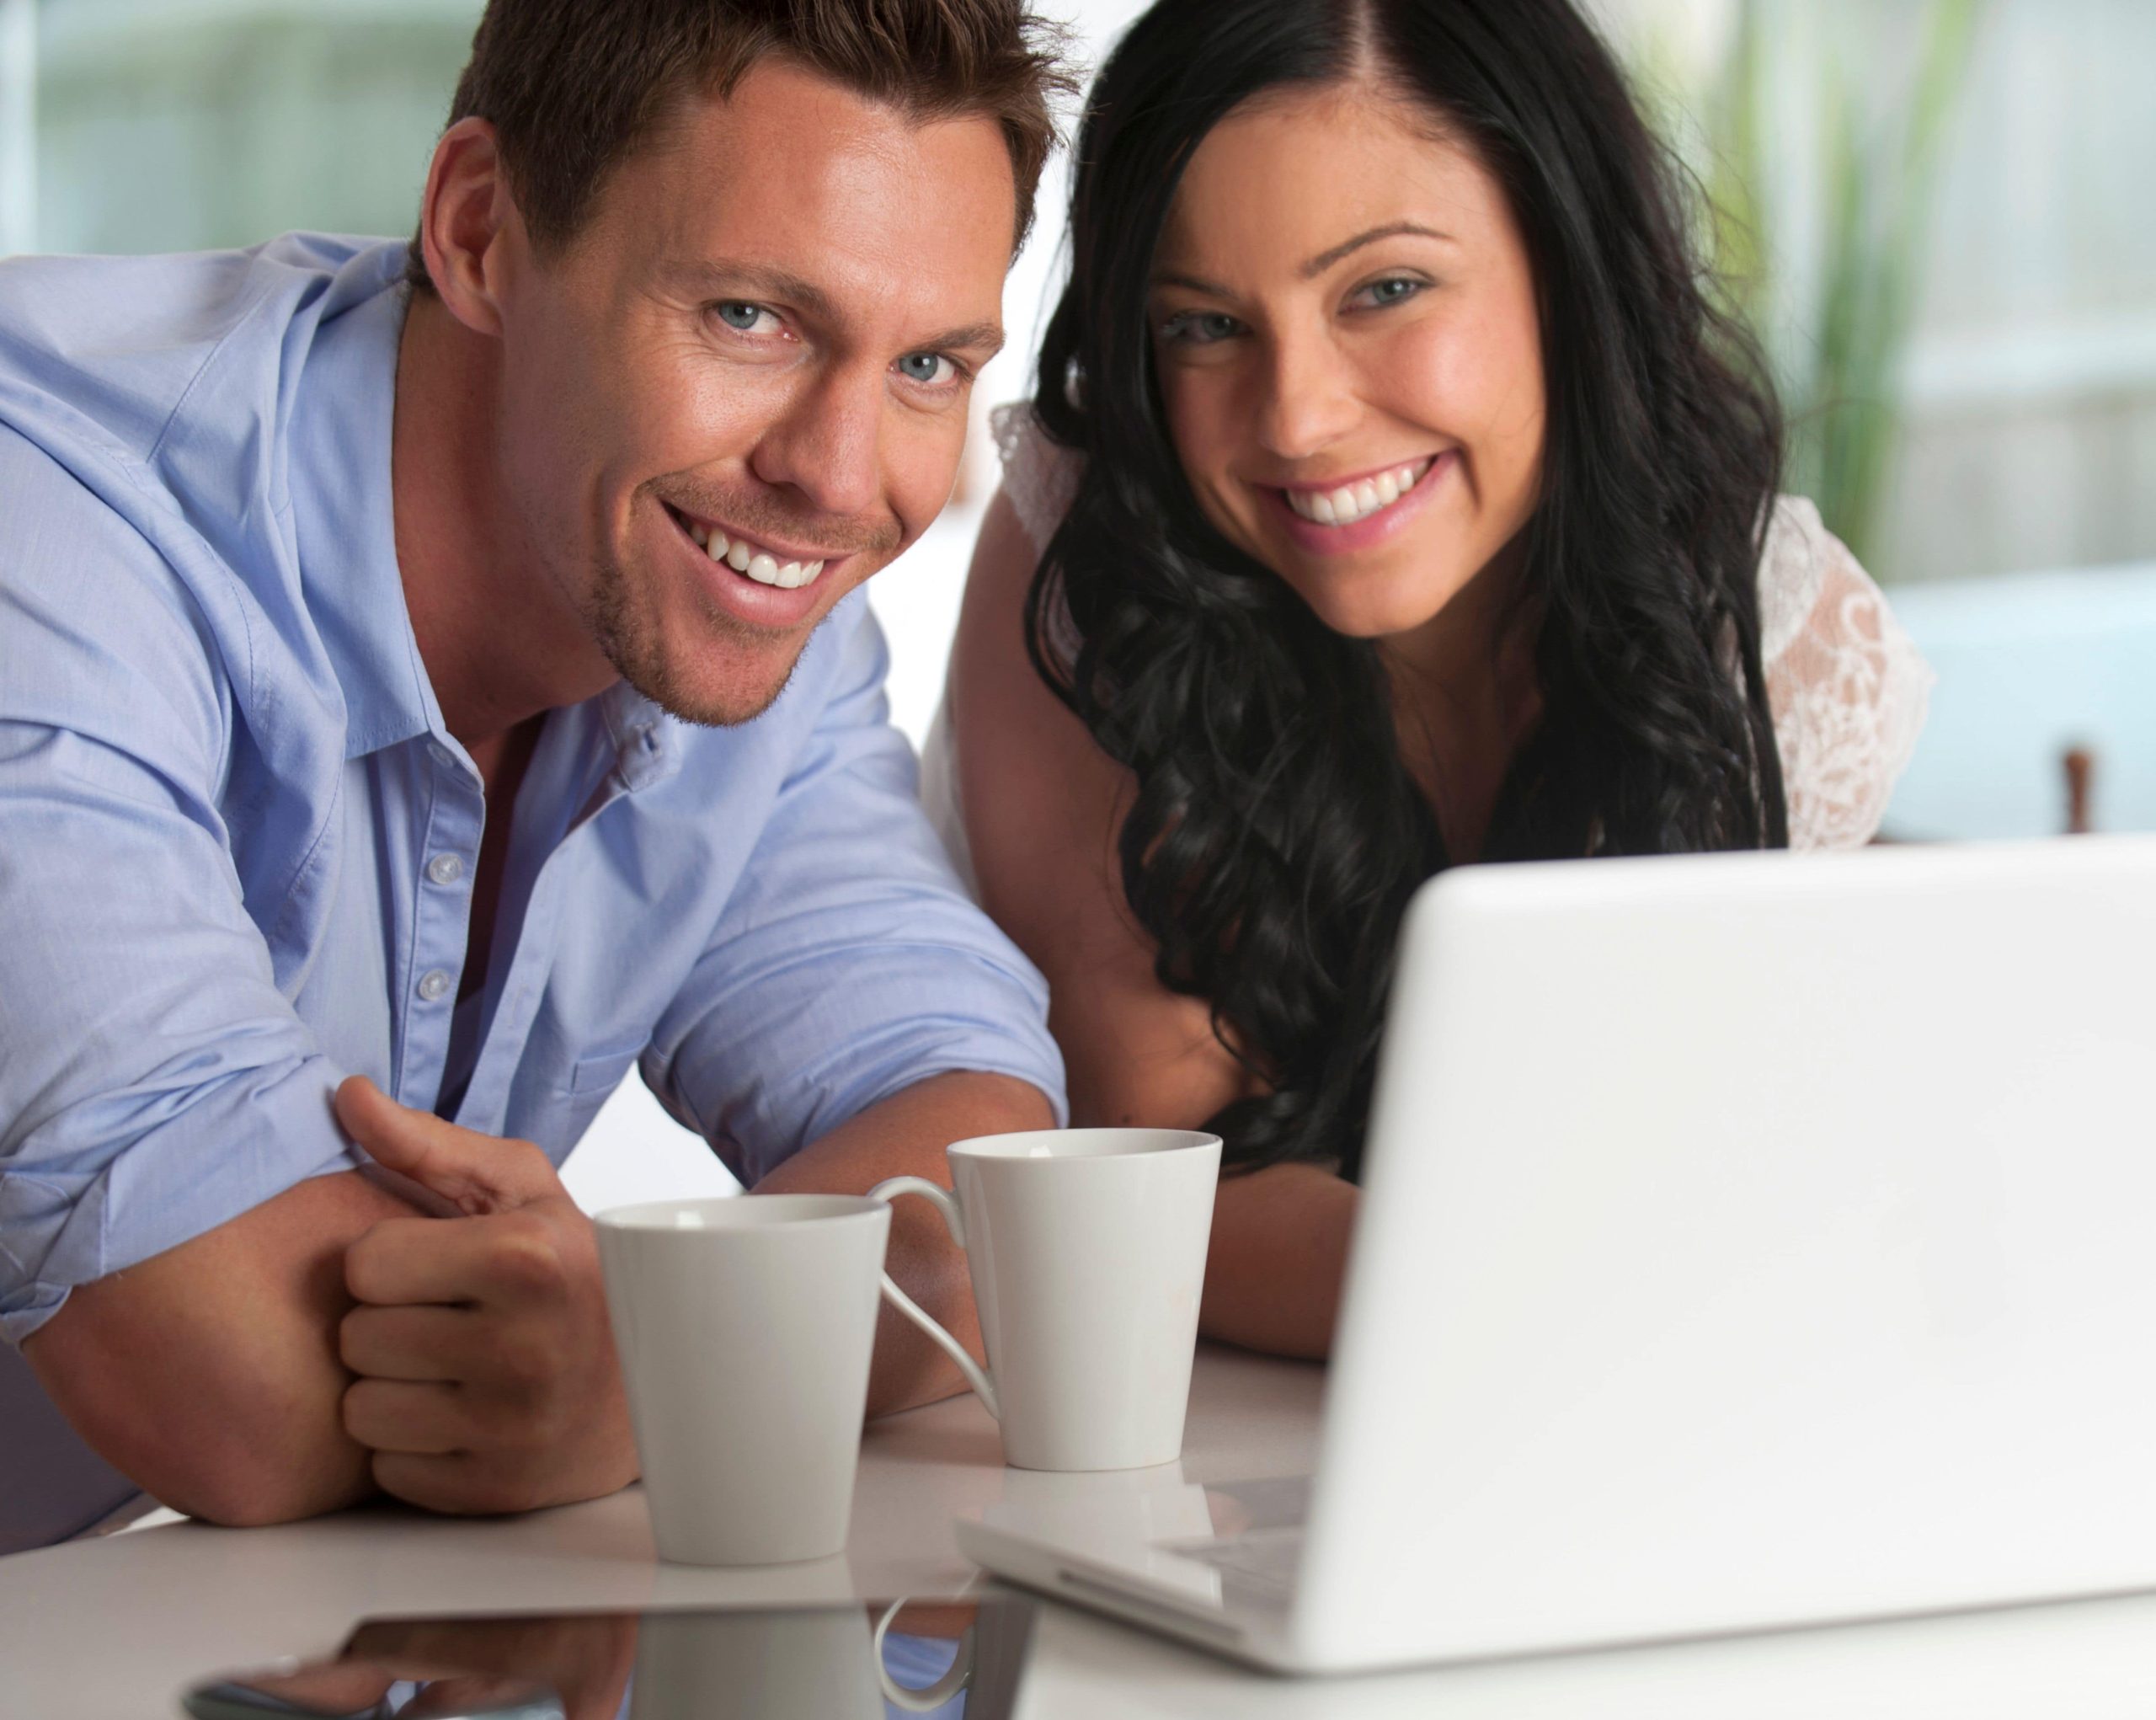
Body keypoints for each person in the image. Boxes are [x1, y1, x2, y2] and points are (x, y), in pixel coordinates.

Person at [0, 0, 1075, 1536]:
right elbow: (228, 1384)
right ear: (482, 229)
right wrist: (730, 1338)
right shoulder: (49, 524)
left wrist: (650, 1358)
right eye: (751, 318)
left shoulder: (736, 593)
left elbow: (990, 1182)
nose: (841, 481)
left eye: (924, 364)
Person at [928, 0, 1934, 1360]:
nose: (1296, 416)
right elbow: (1161, 1199)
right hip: (1208, 1456)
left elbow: (1767, 1158)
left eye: (1382, 290)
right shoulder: (1094, 548)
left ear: (1564, 260)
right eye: (1205, 328)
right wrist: (1600, 1288)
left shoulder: (1778, 642)